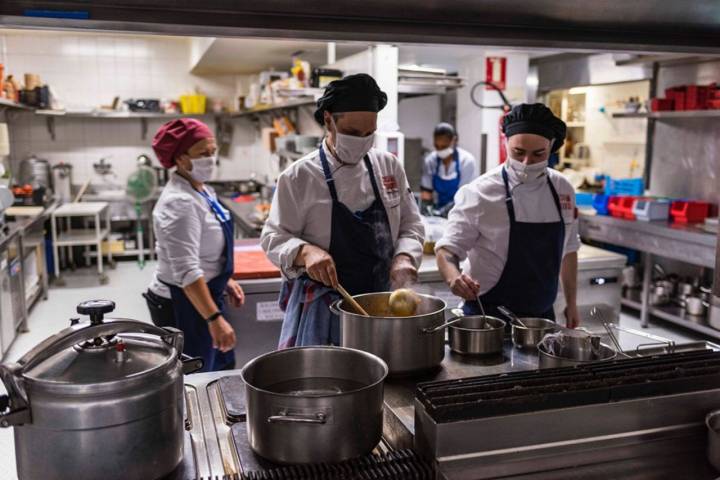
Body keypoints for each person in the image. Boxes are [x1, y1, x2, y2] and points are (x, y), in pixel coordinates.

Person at [261, 73, 425, 348]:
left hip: (381, 302)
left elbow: (411, 224)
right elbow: (273, 238)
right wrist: (306, 251)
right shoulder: (299, 177)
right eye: (351, 133)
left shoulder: (389, 167)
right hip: (325, 311)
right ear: (328, 120)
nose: (361, 141)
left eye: (368, 134)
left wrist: (405, 257)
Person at [435, 103, 581, 328]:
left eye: (538, 154)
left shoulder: (563, 189)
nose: (526, 163)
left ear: (551, 147)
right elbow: (447, 251)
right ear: (506, 143)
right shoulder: (480, 192)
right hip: (487, 317)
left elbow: (569, 250)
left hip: (541, 319)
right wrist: (454, 278)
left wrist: (571, 304)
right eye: (518, 152)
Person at [143, 118, 245, 371]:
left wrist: (223, 277)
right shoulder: (179, 203)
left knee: (214, 372)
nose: (211, 159)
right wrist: (214, 319)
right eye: (203, 153)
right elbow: (187, 269)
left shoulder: (202, 191)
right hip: (183, 305)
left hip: (202, 295)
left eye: (213, 151)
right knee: (193, 378)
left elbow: (202, 249)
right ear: (180, 159)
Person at [420, 122, 478, 214]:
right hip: (438, 208)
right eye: (437, 146)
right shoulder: (431, 161)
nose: (440, 150)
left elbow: (464, 195)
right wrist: (427, 210)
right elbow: (427, 191)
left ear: (454, 141)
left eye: (444, 147)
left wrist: (446, 211)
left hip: (462, 210)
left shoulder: (466, 161)